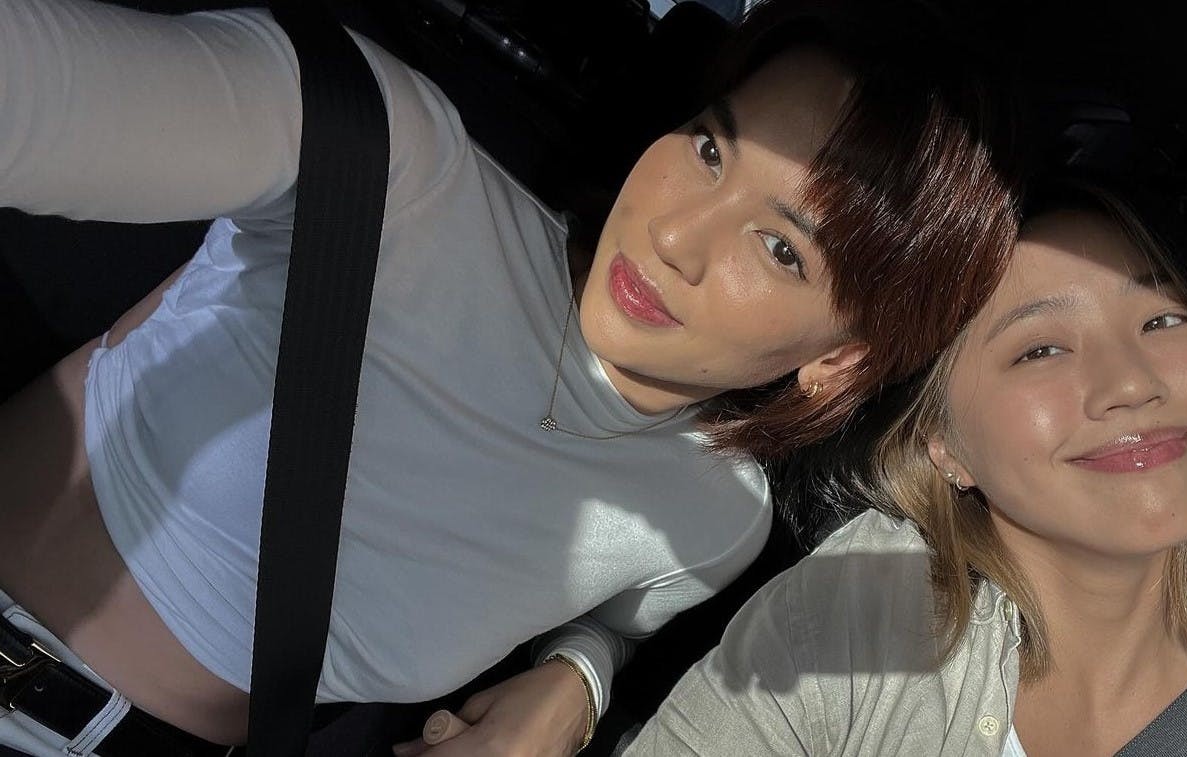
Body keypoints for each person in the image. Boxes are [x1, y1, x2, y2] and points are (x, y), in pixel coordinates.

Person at [0, 0, 1022, 754]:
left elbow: (615, 616)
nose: (674, 233)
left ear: (838, 360)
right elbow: (43, 92)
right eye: (712, 149)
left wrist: (576, 679)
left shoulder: (716, 513)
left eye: (782, 247)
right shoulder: (397, 169)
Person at [624, 176, 1187, 756]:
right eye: (1040, 350)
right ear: (945, 445)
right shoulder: (859, 615)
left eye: (1164, 319)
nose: (1132, 382)